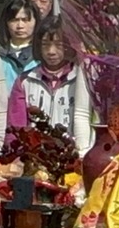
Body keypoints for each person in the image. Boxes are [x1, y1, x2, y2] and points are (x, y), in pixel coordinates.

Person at [6, 14, 93, 154]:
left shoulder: (82, 80)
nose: (51, 51)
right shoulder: (25, 81)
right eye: (45, 45)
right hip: (36, 158)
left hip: (74, 156)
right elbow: (16, 127)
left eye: (58, 45)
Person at [0, 0, 40, 146]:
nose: (20, 26)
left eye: (26, 20)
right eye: (14, 20)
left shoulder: (43, 57)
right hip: (1, 128)